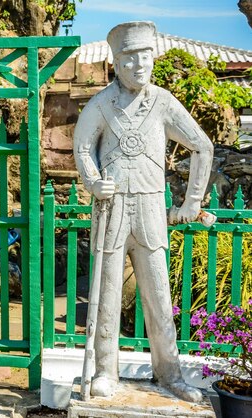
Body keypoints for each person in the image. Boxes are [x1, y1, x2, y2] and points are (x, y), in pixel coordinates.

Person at [73, 21, 213, 402]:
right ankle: (105, 371)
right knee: (106, 296)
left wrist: (192, 201)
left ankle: (169, 373)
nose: (139, 66)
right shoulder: (101, 104)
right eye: (130, 59)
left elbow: (202, 146)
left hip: (151, 208)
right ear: (116, 63)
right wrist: (93, 180)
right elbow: (83, 147)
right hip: (111, 207)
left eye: (146, 58)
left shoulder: (164, 102)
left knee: (159, 296)